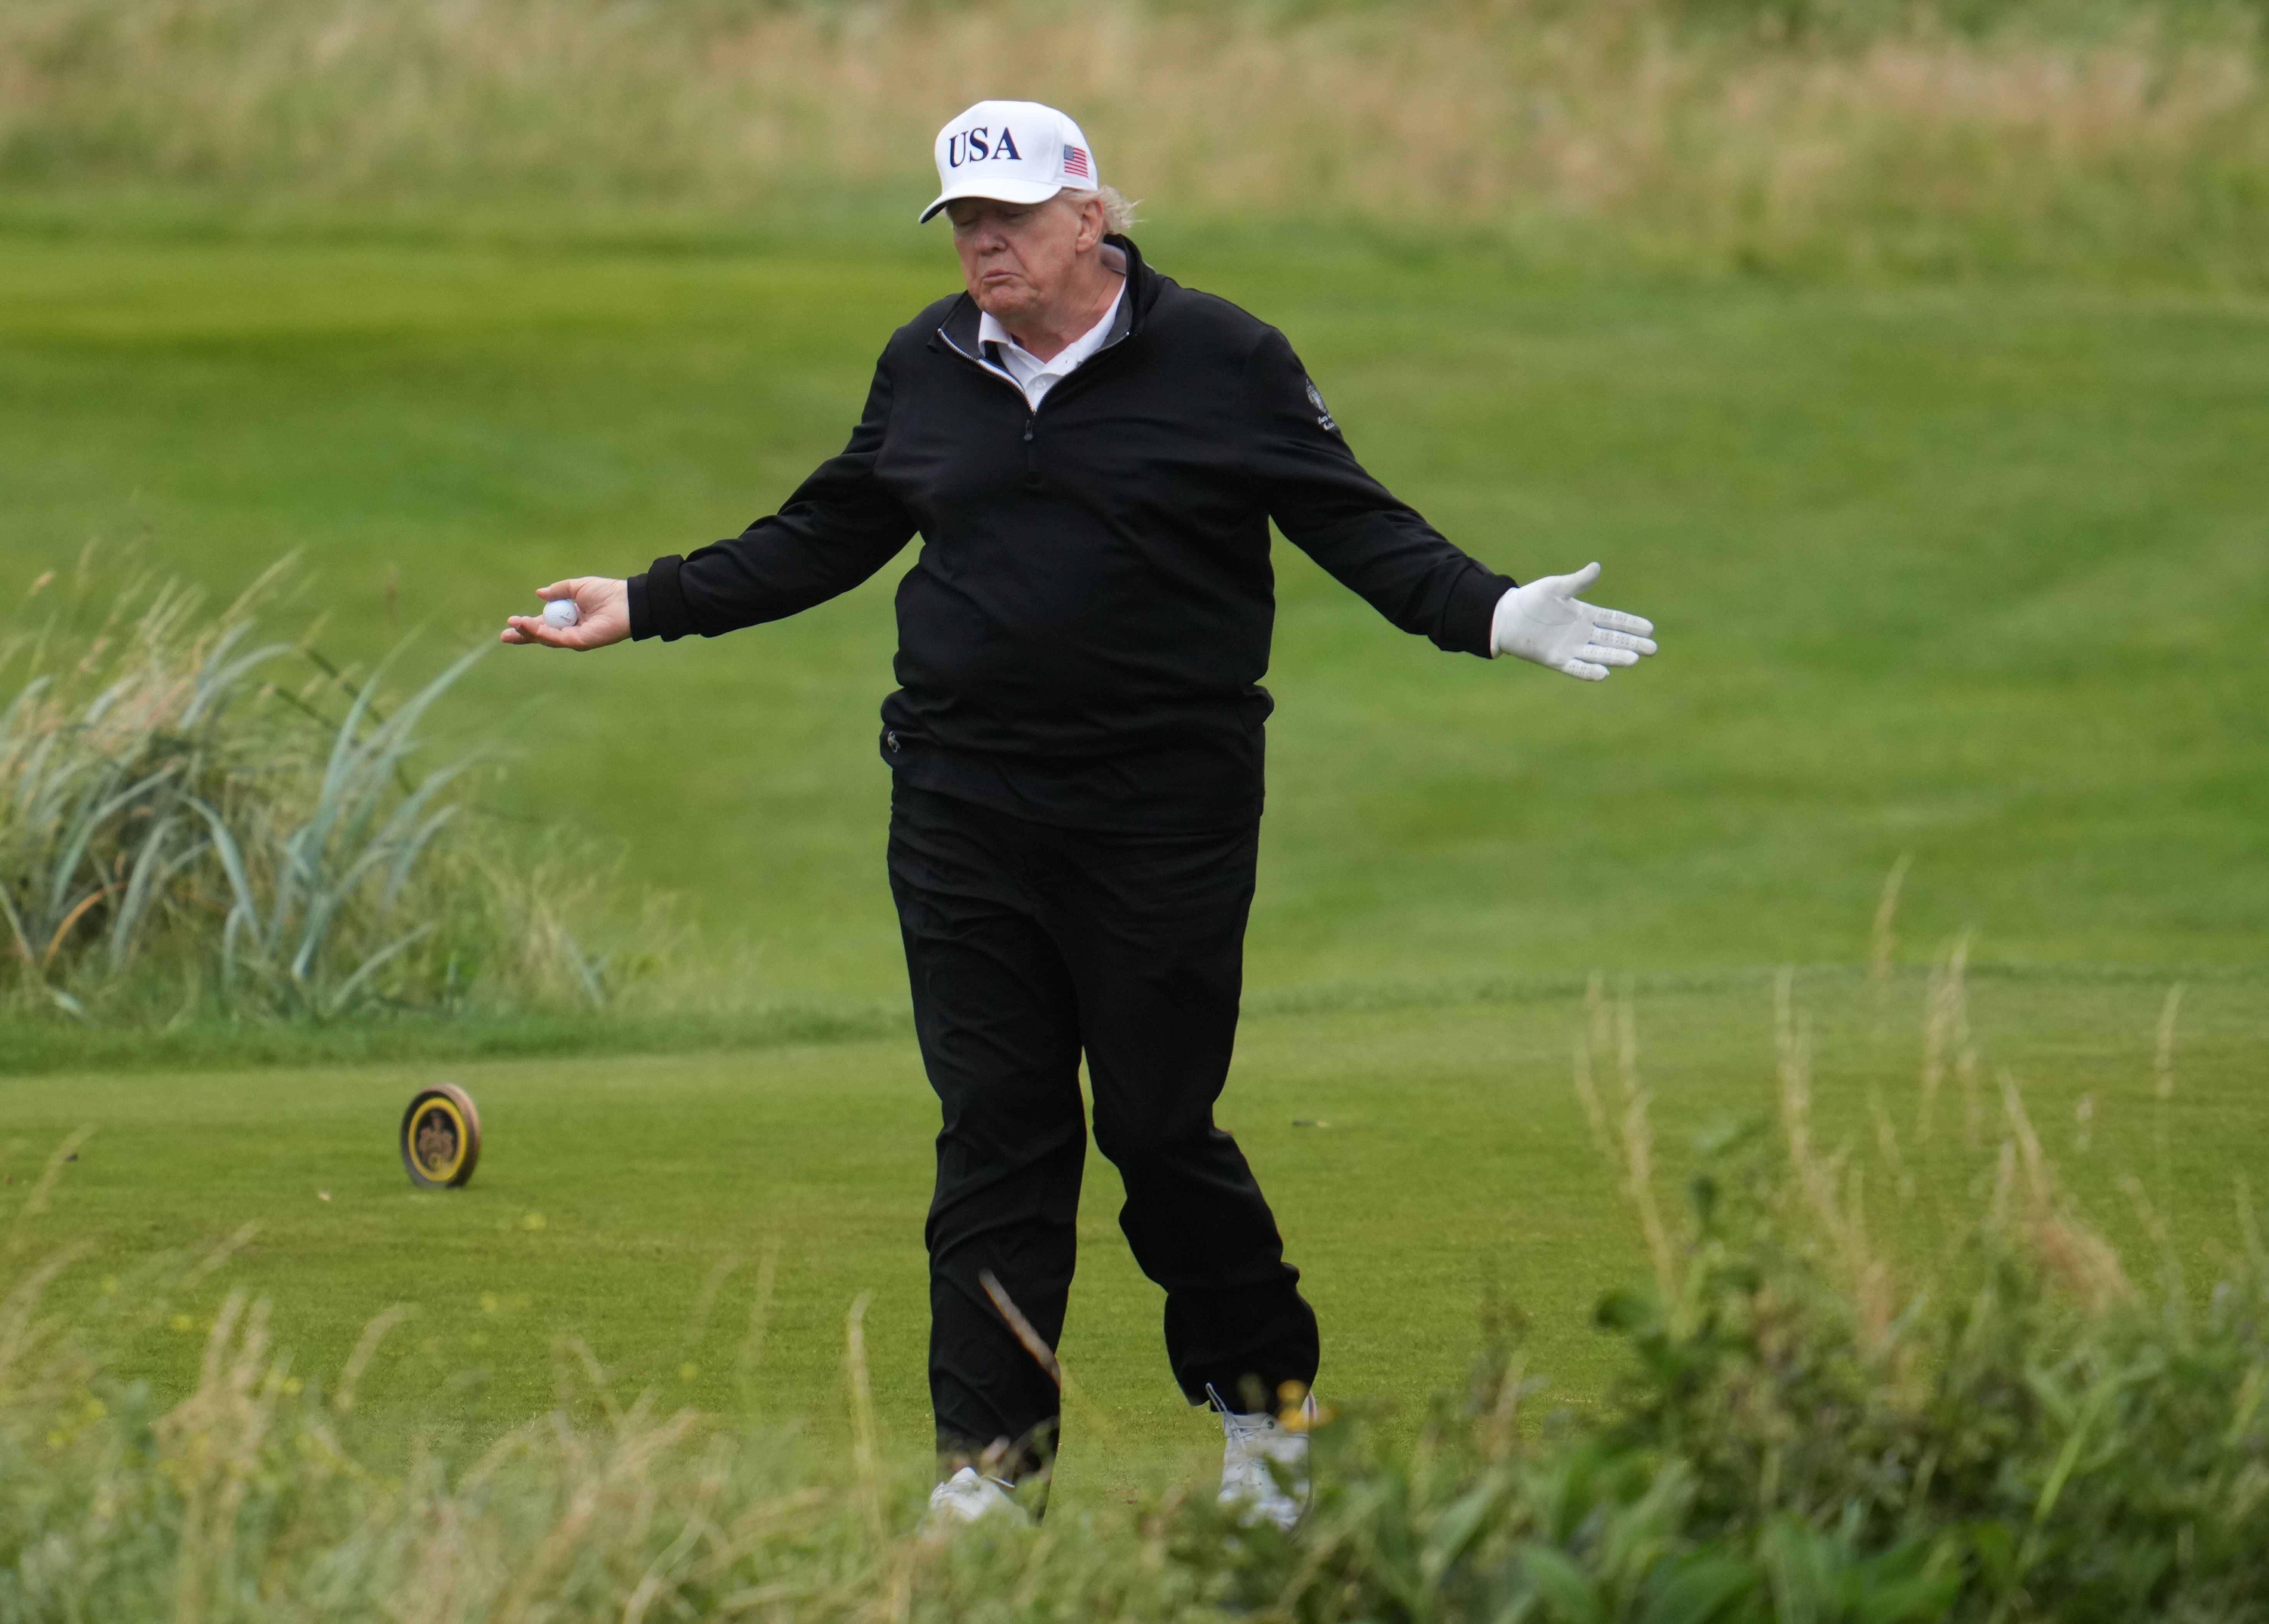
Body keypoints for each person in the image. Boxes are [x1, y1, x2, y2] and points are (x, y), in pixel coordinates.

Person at [505, 99, 1658, 1528]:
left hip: (1161, 812)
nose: (984, 245)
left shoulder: (1223, 358)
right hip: (960, 802)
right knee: (997, 1128)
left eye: (1009, 219)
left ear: (1090, 214)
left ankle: (1271, 1414)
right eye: (963, 223)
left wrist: (1488, 611)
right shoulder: (927, 361)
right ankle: (991, 1472)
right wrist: (652, 601)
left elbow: (1351, 519)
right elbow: (832, 528)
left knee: (1162, 1130)